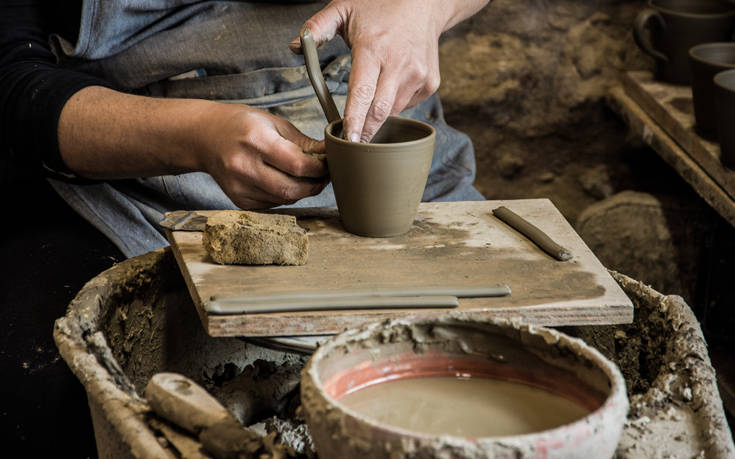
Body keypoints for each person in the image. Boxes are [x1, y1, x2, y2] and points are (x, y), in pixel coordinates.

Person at [0, 0, 489, 454]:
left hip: (398, 146)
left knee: (526, 357)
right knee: (36, 387)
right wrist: (194, 136)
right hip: (138, 162)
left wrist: (421, 10)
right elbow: (11, 82)